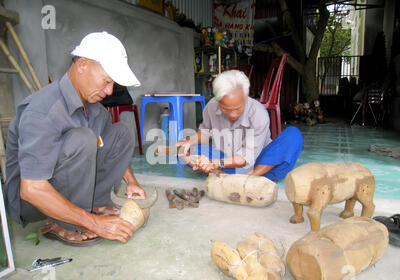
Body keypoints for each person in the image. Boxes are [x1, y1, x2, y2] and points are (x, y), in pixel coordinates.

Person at [5, 31, 146, 246]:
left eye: (113, 84)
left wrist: (132, 181)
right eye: (106, 81)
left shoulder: (95, 108)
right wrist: (95, 224)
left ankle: (95, 204)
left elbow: (112, 143)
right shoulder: (43, 111)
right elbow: (31, 190)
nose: (109, 91)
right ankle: (67, 222)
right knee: (83, 139)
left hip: (60, 190)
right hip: (32, 202)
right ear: (82, 65)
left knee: (121, 132)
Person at [175, 70, 303, 181]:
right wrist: (187, 142)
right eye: (226, 109)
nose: (232, 114)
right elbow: (205, 133)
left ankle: (248, 178)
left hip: (258, 164)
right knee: (186, 151)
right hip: (226, 161)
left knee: (293, 135)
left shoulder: (259, 113)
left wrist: (214, 163)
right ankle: (225, 176)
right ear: (218, 100)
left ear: (246, 96)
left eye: (237, 108)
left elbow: (245, 158)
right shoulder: (211, 107)